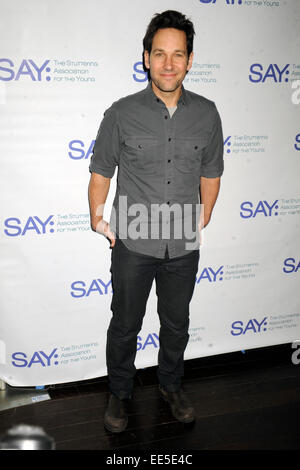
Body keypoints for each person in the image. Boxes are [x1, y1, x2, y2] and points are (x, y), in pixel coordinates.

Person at [88, 10, 224, 433]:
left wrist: (201, 219)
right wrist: (98, 217)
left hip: (182, 244)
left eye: (177, 55)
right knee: (125, 323)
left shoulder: (208, 113)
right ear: (146, 57)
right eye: (160, 54)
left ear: (190, 59)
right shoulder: (121, 113)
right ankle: (120, 392)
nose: (169, 64)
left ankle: (171, 385)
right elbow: (100, 174)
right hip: (132, 241)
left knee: (176, 323)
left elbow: (212, 173)